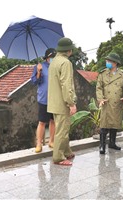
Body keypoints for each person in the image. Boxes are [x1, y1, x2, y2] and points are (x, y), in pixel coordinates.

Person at [47, 37, 77, 166]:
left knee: (62, 128)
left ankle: (67, 151)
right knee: (62, 130)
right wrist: (71, 103)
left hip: (53, 102)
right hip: (62, 103)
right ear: (68, 50)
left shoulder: (53, 62)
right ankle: (58, 157)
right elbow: (66, 85)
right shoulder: (65, 63)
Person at [96, 52, 123, 154]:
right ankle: (102, 145)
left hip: (116, 103)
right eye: (107, 61)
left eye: (109, 61)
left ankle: (112, 143)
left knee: (115, 124)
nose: (107, 63)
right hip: (106, 103)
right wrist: (100, 99)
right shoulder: (103, 74)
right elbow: (98, 87)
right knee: (104, 125)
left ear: (115, 63)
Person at [31, 48, 56, 153]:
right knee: (42, 122)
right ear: (47, 58)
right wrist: (38, 72)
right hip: (43, 98)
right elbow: (34, 81)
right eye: (51, 57)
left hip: (54, 98)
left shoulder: (56, 67)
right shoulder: (39, 66)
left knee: (53, 121)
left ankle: (51, 141)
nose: (53, 59)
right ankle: (39, 144)